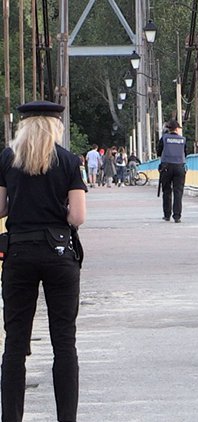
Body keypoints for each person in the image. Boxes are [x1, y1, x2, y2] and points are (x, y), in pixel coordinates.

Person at [0, 100, 87, 421]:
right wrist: (57, 209)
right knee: (64, 342)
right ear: (55, 126)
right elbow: (78, 216)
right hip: (59, 253)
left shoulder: (7, 159)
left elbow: (0, 208)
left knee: (14, 344)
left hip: (19, 253)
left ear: (23, 126)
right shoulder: (68, 161)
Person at [157, 120, 187, 223]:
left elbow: (159, 152)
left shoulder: (164, 138)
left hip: (166, 167)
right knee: (178, 192)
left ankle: (167, 215)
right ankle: (177, 216)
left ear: (168, 129)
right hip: (179, 167)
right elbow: (185, 153)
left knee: (166, 191)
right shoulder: (183, 139)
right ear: (177, 129)